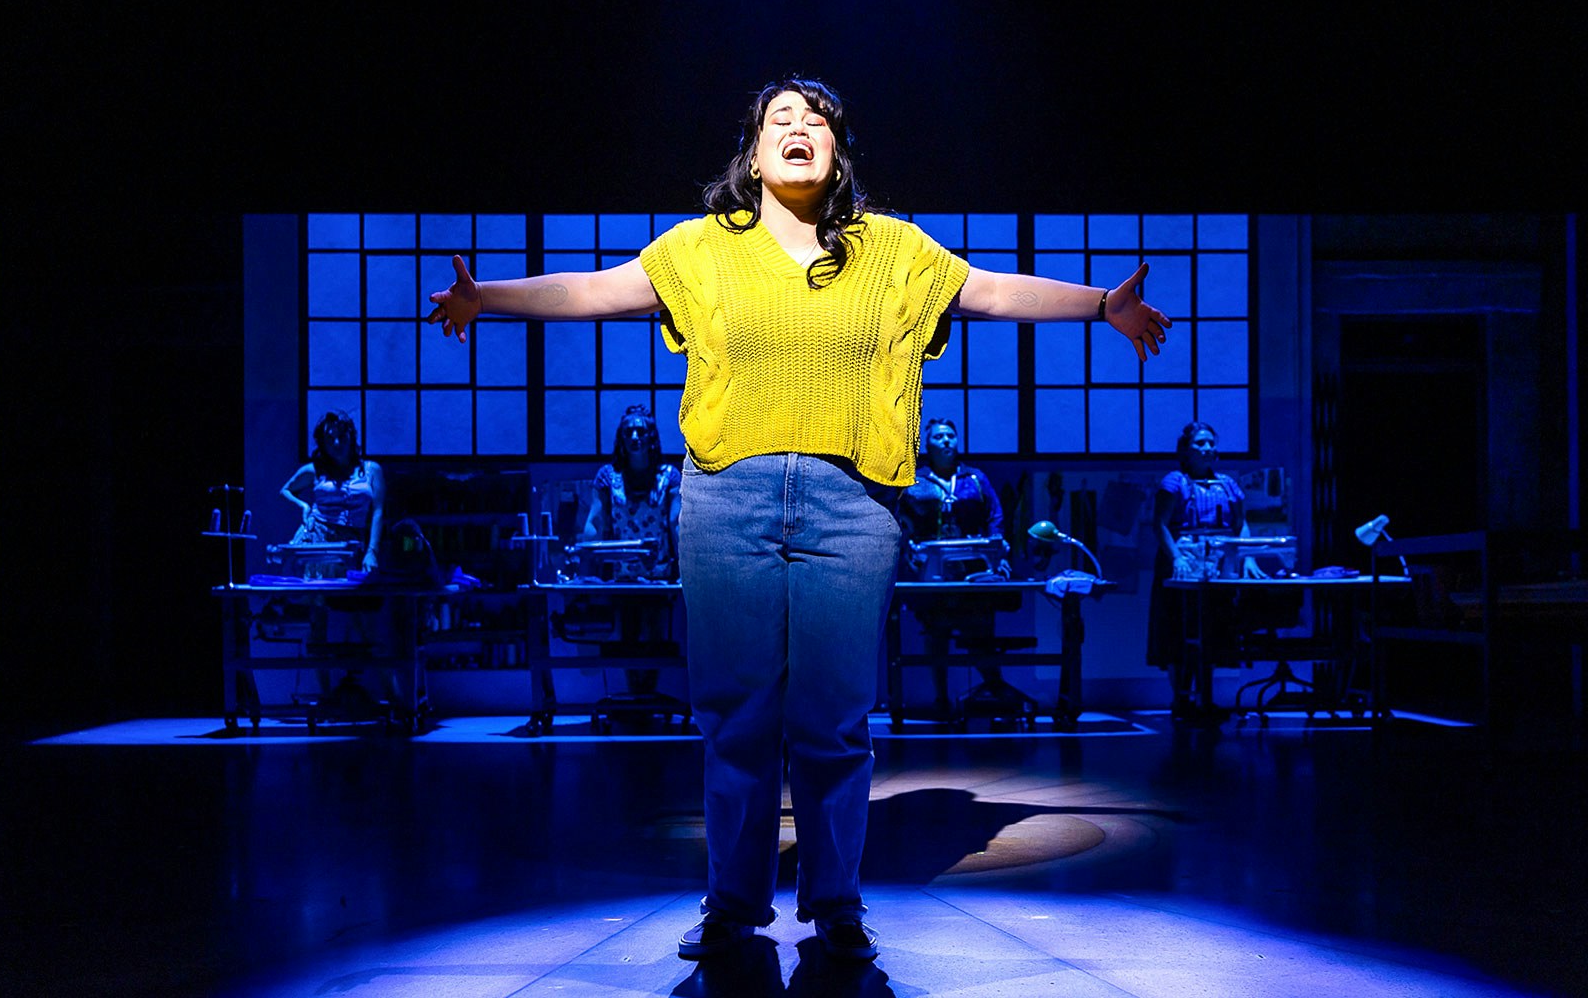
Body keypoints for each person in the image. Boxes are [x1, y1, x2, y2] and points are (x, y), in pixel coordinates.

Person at [426, 77, 1170, 962]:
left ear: (837, 151)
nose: (800, 129)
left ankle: (836, 904)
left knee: (833, 719)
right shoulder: (700, 250)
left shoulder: (892, 250)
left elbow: (993, 293)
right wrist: (488, 297)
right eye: (781, 119)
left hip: (852, 504)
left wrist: (1100, 305)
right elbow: (593, 291)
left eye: (816, 120)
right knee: (736, 717)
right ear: (752, 155)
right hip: (725, 498)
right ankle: (733, 905)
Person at [898, 418, 1015, 715]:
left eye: (951, 435)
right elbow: (900, 521)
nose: (947, 440)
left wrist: (998, 550)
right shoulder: (917, 481)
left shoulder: (975, 479)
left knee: (980, 635)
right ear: (928, 445)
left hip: (973, 574)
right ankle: (940, 699)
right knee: (936, 637)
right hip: (932, 575)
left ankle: (996, 692)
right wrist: (908, 547)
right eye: (939, 437)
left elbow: (995, 517)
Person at [1147, 421, 1264, 715]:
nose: (1208, 448)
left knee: (1211, 629)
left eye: (1211, 443)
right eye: (1200, 443)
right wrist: (1177, 558)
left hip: (1217, 566)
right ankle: (1182, 698)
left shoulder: (1227, 484)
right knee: (1177, 630)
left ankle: (1206, 697)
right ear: (1186, 450)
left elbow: (1241, 524)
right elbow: (1160, 524)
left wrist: (1246, 557)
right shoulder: (1174, 482)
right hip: (1181, 564)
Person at [580, 404, 681, 700]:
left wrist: (686, 568)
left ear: (651, 436)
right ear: (621, 438)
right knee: (627, 635)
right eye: (629, 432)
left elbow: (675, 522)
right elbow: (595, 521)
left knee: (655, 635)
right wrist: (583, 564)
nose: (635, 436)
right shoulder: (608, 477)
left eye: (641, 430)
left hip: (659, 573)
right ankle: (633, 698)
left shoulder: (668, 476)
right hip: (621, 573)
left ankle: (648, 697)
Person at [279, 411, 386, 572]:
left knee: (346, 592)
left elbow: (378, 512)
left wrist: (372, 551)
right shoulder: (315, 470)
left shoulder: (372, 470)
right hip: (317, 535)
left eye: (342, 436)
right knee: (312, 592)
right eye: (330, 438)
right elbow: (285, 490)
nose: (336, 443)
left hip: (352, 540)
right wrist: (304, 506)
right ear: (323, 442)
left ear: (351, 437)